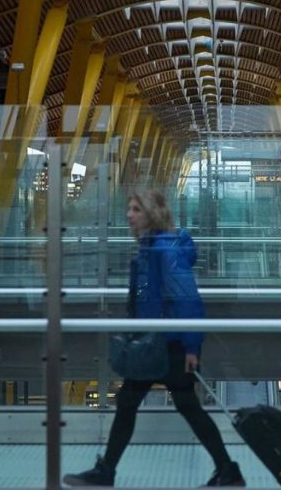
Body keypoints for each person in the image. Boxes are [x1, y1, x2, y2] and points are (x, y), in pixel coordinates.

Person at [63, 190, 245, 487]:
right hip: (156, 341)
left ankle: (107, 471)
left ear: (152, 215)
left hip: (166, 345)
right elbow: (148, 297)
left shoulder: (164, 251)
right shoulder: (150, 249)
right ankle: (227, 470)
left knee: (141, 403)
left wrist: (191, 347)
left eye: (136, 209)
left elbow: (187, 299)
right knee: (170, 405)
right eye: (129, 208)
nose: (129, 214)